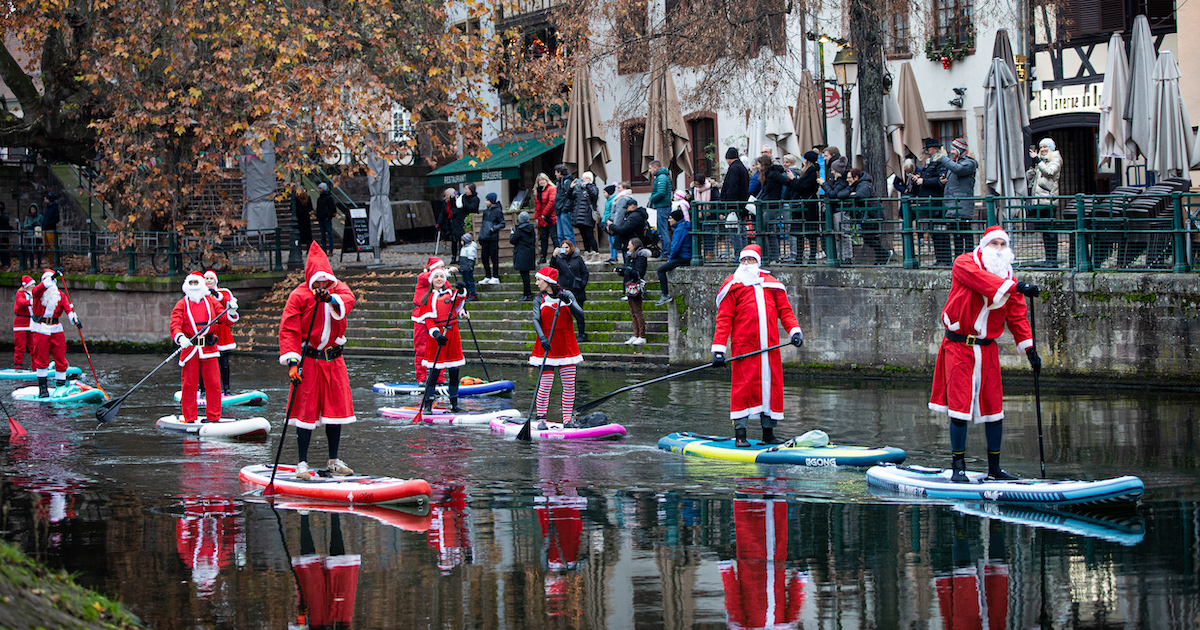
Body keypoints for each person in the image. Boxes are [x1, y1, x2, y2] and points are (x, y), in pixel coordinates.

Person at [929, 226, 1041, 482]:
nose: (999, 249)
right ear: (984, 245)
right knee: (959, 406)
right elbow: (982, 281)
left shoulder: (1009, 279)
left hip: (987, 348)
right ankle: (958, 467)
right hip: (959, 347)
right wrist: (1017, 286)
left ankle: (994, 469)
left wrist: (1029, 349)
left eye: (1003, 244)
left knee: (994, 407)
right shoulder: (964, 263)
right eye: (994, 244)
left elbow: (1017, 315)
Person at [711, 244, 803, 447]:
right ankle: (740, 434)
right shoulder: (733, 286)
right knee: (742, 389)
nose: (746, 264)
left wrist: (794, 332)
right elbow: (724, 319)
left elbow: (785, 311)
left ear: (758, 262)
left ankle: (768, 434)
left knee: (771, 389)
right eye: (743, 260)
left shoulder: (772, 285)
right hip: (744, 349)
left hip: (769, 349)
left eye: (750, 260)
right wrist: (718, 350)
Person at [278, 242, 357, 480]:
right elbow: (289, 330)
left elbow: (348, 300)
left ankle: (333, 461)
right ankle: (302, 463)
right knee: (305, 410)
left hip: (333, 359)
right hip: (309, 360)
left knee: (335, 410)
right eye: (318, 283)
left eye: (326, 282)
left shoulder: (338, 290)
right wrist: (293, 363)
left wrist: (330, 299)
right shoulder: (299, 296)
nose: (322, 286)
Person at [171, 272, 238, 423]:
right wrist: (180, 338)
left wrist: (231, 311)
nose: (194, 286)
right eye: (191, 283)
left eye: (196, 283)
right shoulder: (181, 304)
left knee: (213, 383)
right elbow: (175, 324)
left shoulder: (211, 301)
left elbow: (225, 319)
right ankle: (189, 418)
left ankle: (214, 416)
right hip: (190, 349)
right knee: (189, 384)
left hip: (209, 349)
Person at [529, 266, 585, 428]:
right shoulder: (539, 299)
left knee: (569, 385)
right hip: (547, 346)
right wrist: (542, 338)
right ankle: (541, 419)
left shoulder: (567, 295)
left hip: (566, 345)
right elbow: (535, 319)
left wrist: (569, 302)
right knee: (545, 385)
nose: (536, 283)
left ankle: (567, 420)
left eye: (539, 280)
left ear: (548, 281)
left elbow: (580, 315)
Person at [414, 267, 469, 413]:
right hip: (437, 336)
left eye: (441, 276)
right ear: (431, 280)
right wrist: (436, 334)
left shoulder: (450, 294)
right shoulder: (427, 298)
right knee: (434, 371)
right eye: (436, 277)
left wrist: (461, 290)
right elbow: (428, 320)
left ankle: (454, 404)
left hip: (453, 334)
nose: (439, 279)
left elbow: (458, 301)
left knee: (454, 370)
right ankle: (428, 404)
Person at [30, 269, 80, 398]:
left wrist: (74, 319)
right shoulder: (37, 293)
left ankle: (60, 386)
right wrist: (52, 276)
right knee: (41, 358)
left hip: (56, 329)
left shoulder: (60, 295)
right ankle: (43, 389)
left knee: (60, 356)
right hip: (41, 329)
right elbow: (38, 289)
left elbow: (67, 308)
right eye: (48, 280)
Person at [838, 168, 889, 266]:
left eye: (849, 178)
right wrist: (850, 193)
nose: (848, 180)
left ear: (856, 177)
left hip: (872, 215)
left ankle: (884, 254)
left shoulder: (864, 185)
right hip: (867, 215)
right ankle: (881, 259)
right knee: (872, 238)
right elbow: (840, 194)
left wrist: (852, 195)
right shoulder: (855, 185)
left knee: (869, 238)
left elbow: (859, 195)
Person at [911, 138, 950, 266]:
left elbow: (941, 181)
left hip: (937, 203)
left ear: (935, 149)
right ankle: (939, 259)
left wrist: (924, 181)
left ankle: (945, 260)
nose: (927, 152)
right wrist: (919, 178)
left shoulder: (941, 162)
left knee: (941, 232)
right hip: (929, 203)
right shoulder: (930, 162)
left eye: (929, 149)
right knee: (934, 232)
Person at [939, 138, 978, 258]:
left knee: (965, 232)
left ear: (960, 150)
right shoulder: (955, 163)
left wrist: (943, 157)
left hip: (962, 205)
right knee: (956, 234)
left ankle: (969, 258)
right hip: (952, 205)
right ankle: (958, 258)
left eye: (953, 149)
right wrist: (943, 181)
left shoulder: (969, 163)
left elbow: (958, 170)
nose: (951, 152)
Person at [411, 257, 447, 385]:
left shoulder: (443, 282)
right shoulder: (423, 278)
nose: (442, 271)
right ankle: (421, 377)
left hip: (437, 318)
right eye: (440, 268)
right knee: (421, 349)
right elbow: (426, 277)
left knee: (439, 348)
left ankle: (439, 377)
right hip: (421, 318)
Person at [1026, 137, 1062, 266]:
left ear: (1051, 148)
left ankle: (1053, 260)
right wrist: (1031, 171)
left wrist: (1038, 160)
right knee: (1045, 232)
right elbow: (1033, 181)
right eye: (1041, 147)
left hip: (1049, 200)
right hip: (1040, 200)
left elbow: (1050, 172)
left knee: (1050, 231)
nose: (1043, 149)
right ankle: (1048, 259)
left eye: (1045, 147)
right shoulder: (1041, 161)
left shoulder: (1056, 159)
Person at [203, 270, 240, 395]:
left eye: (211, 278)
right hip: (206, 331)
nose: (209, 281)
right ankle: (203, 389)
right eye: (207, 278)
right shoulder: (200, 294)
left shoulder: (224, 292)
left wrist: (218, 296)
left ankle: (226, 389)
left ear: (215, 280)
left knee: (224, 362)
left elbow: (230, 306)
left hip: (222, 330)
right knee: (204, 361)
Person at [819, 150, 853, 263]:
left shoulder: (842, 182)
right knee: (837, 235)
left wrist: (823, 184)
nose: (831, 171)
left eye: (833, 170)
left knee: (843, 233)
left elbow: (833, 194)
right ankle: (840, 256)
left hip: (840, 210)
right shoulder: (837, 181)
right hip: (836, 210)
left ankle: (846, 257)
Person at [551, 239, 589, 341]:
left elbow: (584, 272)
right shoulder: (559, 259)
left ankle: (581, 333)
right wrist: (554, 256)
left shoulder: (578, 258)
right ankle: (567, 334)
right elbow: (552, 269)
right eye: (563, 248)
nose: (565, 250)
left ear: (571, 247)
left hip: (577, 290)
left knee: (579, 313)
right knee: (565, 314)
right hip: (564, 290)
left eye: (567, 247)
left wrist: (582, 284)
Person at [616, 238, 650, 345]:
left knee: (638, 312)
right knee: (633, 312)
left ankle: (642, 336)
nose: (628, 247)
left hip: (636, 287)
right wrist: (621, 271)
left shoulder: (640, 257)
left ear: (635, 245)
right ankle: (636, 334)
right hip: (629, 286)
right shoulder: (631, 257)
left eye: (630, 245)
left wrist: (627, 270)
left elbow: (638, 272)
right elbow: (629, 271)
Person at [789, 151, 821, 263]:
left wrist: (793, 179)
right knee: (806, 232)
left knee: (807, 232)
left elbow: (802, 187)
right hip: (807, 204)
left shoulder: (811, 173)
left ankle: (805, 257)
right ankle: (806, 257)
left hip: (807, 205)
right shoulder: (812, 172)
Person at [655, 209, 691, 305]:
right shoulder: (685, 226)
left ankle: (665, 294)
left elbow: (676, 247)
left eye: (671, 218)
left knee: (660, 270)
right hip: (686, 255)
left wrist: (670, 259)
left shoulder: (680, 229)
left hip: (683, 257)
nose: (669, 220)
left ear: (676, 219)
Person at [647, 159, 673, 261]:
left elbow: (661, 192)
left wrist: (651, 199)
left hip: (662, 206)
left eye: (650, 168)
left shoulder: (661, 177)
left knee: (662, 230)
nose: (649, 171)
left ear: (655, 167)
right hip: (663, 205)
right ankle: (666, 252)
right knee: (663, 230)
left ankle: (666, 253)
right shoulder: (662, 176)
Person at [510, 211, 537, 302]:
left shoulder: (519, 230)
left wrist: (512, 233)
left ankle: (527, 294)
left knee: (524, 276)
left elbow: (513, 241)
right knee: (526, 275)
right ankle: (527, 294)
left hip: (521, 255)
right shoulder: (531, 229)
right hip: (529, 254)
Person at [606, 182, 636, 263]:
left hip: (618, 224)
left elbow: (619, 213)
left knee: (616, 242)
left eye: (619, 188)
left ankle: (614, 257)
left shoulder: (622, 199)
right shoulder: (627, 197)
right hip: (622, 224)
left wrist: (614, 226)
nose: (618, 190)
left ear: (624, 189)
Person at [478, 192, 504, 284]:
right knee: (484, 258)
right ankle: (487, 276)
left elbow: (502, 223)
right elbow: (483, 225)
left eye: (487, 200)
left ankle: (495, 276)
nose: (486, 202)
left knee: (494, 257)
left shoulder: (498, 211)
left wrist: (494, 228)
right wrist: (480, 235)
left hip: (493, 238)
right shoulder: (485, 212)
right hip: (485, 237)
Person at [572, 171, 600, 255]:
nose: (583, 180)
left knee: (589, 235)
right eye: (583, 178)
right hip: (579, 216)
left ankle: (595, 252)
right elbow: (571, 197)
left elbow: (594, 194)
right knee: (583, 236)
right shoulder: (579, 189)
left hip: (588, 216)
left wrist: (588, 185)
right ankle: (587, 252)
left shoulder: (593, 187)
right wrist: (571, 188)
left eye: (585, 178)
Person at [453, 183, 480, 264]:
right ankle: (459, 257)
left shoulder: (475, 199)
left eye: (466, 189)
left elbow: (471, 208)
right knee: (459, 239)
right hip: (460, 221)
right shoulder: (464, 197)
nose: (465, 191)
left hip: (469, 221)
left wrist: (464, 202)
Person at [11, 275, 34, 369]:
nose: (33, 286)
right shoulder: (20, 293)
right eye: (32, 285)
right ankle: (18, 366)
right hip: (21, 323)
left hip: (32, 323)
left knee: (34, 346)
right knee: (20, 346)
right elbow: (21, 302)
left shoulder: (34, 293)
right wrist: (31, 301)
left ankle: (35, 367)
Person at [534, 172, 557, 264]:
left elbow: (552, 203)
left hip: (551, 218)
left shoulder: (551, 189)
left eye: (543, 179)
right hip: (542, 219)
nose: (541, 182)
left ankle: (557, 256)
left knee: (554, 238)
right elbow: (537, 207)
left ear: (547, 180)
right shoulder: (537, 192)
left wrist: (544, 214)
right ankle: (543, 256)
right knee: (543, 239)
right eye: (539, 180)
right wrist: (537, 218)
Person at [553, 165, 576, 245]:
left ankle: (571, 251)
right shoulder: (559, 182)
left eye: (556, 172)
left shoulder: (567, 182)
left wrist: (565, 208)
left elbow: (571, 196)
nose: (555, 174)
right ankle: (563, 251)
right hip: (560, 211)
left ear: (559, 173)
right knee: (560, 235)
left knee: (567, 234)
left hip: (565, 211)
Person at [315, 182, 337, 253]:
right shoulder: (320, 198)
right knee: (323, 235)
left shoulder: (328, 198)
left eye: (320, 188)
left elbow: (332, 208)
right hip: (322, 218)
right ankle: (324, 249)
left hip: (326, 218)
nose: (319, 190)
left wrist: (329, 216)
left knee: (328, 234)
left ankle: (330, 249)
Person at [602, 184, 620, 263]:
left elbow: (612, 212)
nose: (603, 194)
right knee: (610, 241)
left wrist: (609, 221)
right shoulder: (608, 201)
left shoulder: (613, 201)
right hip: (606, 221)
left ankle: (614, 256)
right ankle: (612, 256)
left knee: (613, 241)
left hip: (610, 222)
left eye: (604, 192)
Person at [458, 234, 478, 300]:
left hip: (468, 269)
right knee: (465, 282)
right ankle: (467, 294)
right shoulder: (464, 248)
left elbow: (471, 259)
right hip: (464, 268)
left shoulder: (470, 249)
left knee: (470, 282)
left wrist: (469, 267)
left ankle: (472, 294)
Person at [22, 203, 42, 269]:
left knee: (38, 250)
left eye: (34, 209)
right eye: (31, 209)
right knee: (31, 251)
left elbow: (42, 224)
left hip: (37, 235)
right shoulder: (28, 217)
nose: (33, 211)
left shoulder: (40, 217)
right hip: (30, 235)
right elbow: (25, 226)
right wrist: (31, 225)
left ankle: (39, 264)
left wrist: (38, 225)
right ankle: (31, 264)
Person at [41, 193, 59, 262]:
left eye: (45, 199)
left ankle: (55, 261)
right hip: (46, 228)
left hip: (50, 229)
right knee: (47, 246)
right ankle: (51, 261)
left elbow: (56, 218)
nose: (44, 200)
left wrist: (48, 224)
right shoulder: (48, 207)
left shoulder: (54, 208)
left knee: (52, 245)